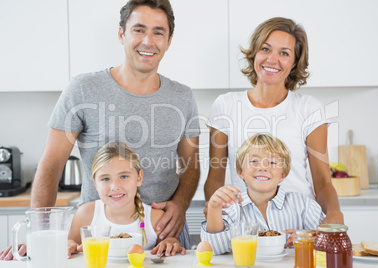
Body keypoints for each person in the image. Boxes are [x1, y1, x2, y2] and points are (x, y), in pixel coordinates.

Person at [30, 0, 200, 248]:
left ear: (169, 41)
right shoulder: (83, 90)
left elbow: (191, 164)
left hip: (165, 236)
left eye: (158, 32)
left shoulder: (182, 97)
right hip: (99, 236)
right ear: (122, 34)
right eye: (139, 30)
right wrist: (40, 236)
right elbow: (52, 164)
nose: (148, 41)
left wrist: (182, 204)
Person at [204, 17, 343, 224]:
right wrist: (215, 212)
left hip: (298, 225)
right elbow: (215, 177)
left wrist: (334, 214)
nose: (272, 59)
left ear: (295, 62)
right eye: (266, 49)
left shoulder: (309, 109)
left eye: (284, 53)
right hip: (245, 225)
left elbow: (322, 182)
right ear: (254, 54)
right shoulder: (226, 105)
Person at [0, 142, 186, 260]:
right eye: (105, 179)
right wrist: (69, 246)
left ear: (139, 178)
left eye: (123, 176)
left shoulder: (155, 218)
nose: (114, 186)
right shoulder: (87, 215)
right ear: (94, 183)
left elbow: (172, 249)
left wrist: (171, 243)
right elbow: (67, 247)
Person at [200, 134, 325, 254]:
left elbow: (328, 240)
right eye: (254, 161)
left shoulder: (303, 205)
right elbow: (214, 249)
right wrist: (214, 208)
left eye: (271, 163)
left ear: (282, 175)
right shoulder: (230, 207)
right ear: (240, 172)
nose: (263, 168)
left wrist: (309, 238)